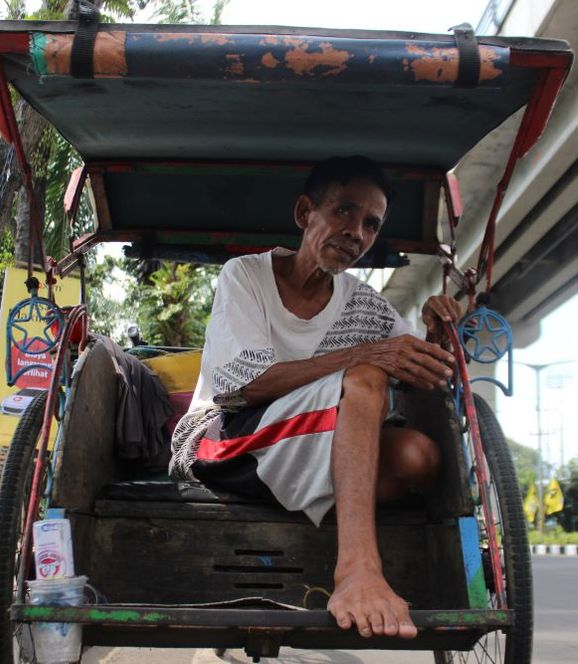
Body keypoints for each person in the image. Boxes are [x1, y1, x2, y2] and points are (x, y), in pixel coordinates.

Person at [169, 155, 462, 640]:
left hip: (312, 448)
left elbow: (414, 374)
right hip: (228, 442)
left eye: (371, 224)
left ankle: (329, 503)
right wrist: (367, 356)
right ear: (306, 212)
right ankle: (357, 570)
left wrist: (434, 337)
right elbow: (240, 389)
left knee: (419, 457)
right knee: (366, 374)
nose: (357, 233)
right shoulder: (246, 276)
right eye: (344, 211)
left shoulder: (364, 302)